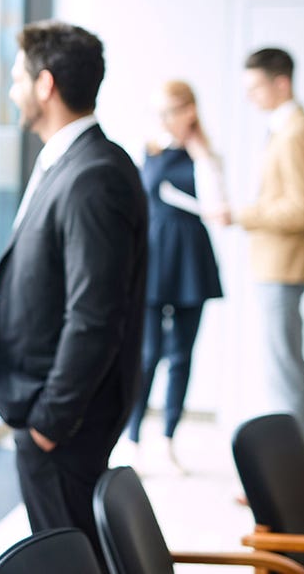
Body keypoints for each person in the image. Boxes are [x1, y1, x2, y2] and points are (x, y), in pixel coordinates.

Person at [0, 20, 147, 561]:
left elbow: (95, 314)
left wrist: (49, 425)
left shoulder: (93, 173)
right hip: (54, 415)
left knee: (76, 557)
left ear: (45, 85)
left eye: (16, 78)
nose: (12, 90)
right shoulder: (73, 161)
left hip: (66, 422)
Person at [125, 80, 226, 474]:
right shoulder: (148, 151)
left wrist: (202, 154)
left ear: (190, 111)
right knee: (147, 354)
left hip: (190, 259)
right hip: (152, 256)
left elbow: (215, 205)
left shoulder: (205, 156)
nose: (164, 120)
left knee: (182, 355)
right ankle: (133, 438)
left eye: (170, 111)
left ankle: (168, 439)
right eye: (159, 112)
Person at [236, 47, 304, 457]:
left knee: (285, 369)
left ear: (281, 82)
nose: (251, 96)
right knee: (281, 366)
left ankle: (299, 465)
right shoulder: (283, 128)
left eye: (255, 87)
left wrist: (244, 214)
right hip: (274, 263)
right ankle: (295, 461)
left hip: (284, 265)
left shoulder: (295, 131)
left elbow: (301, 209)